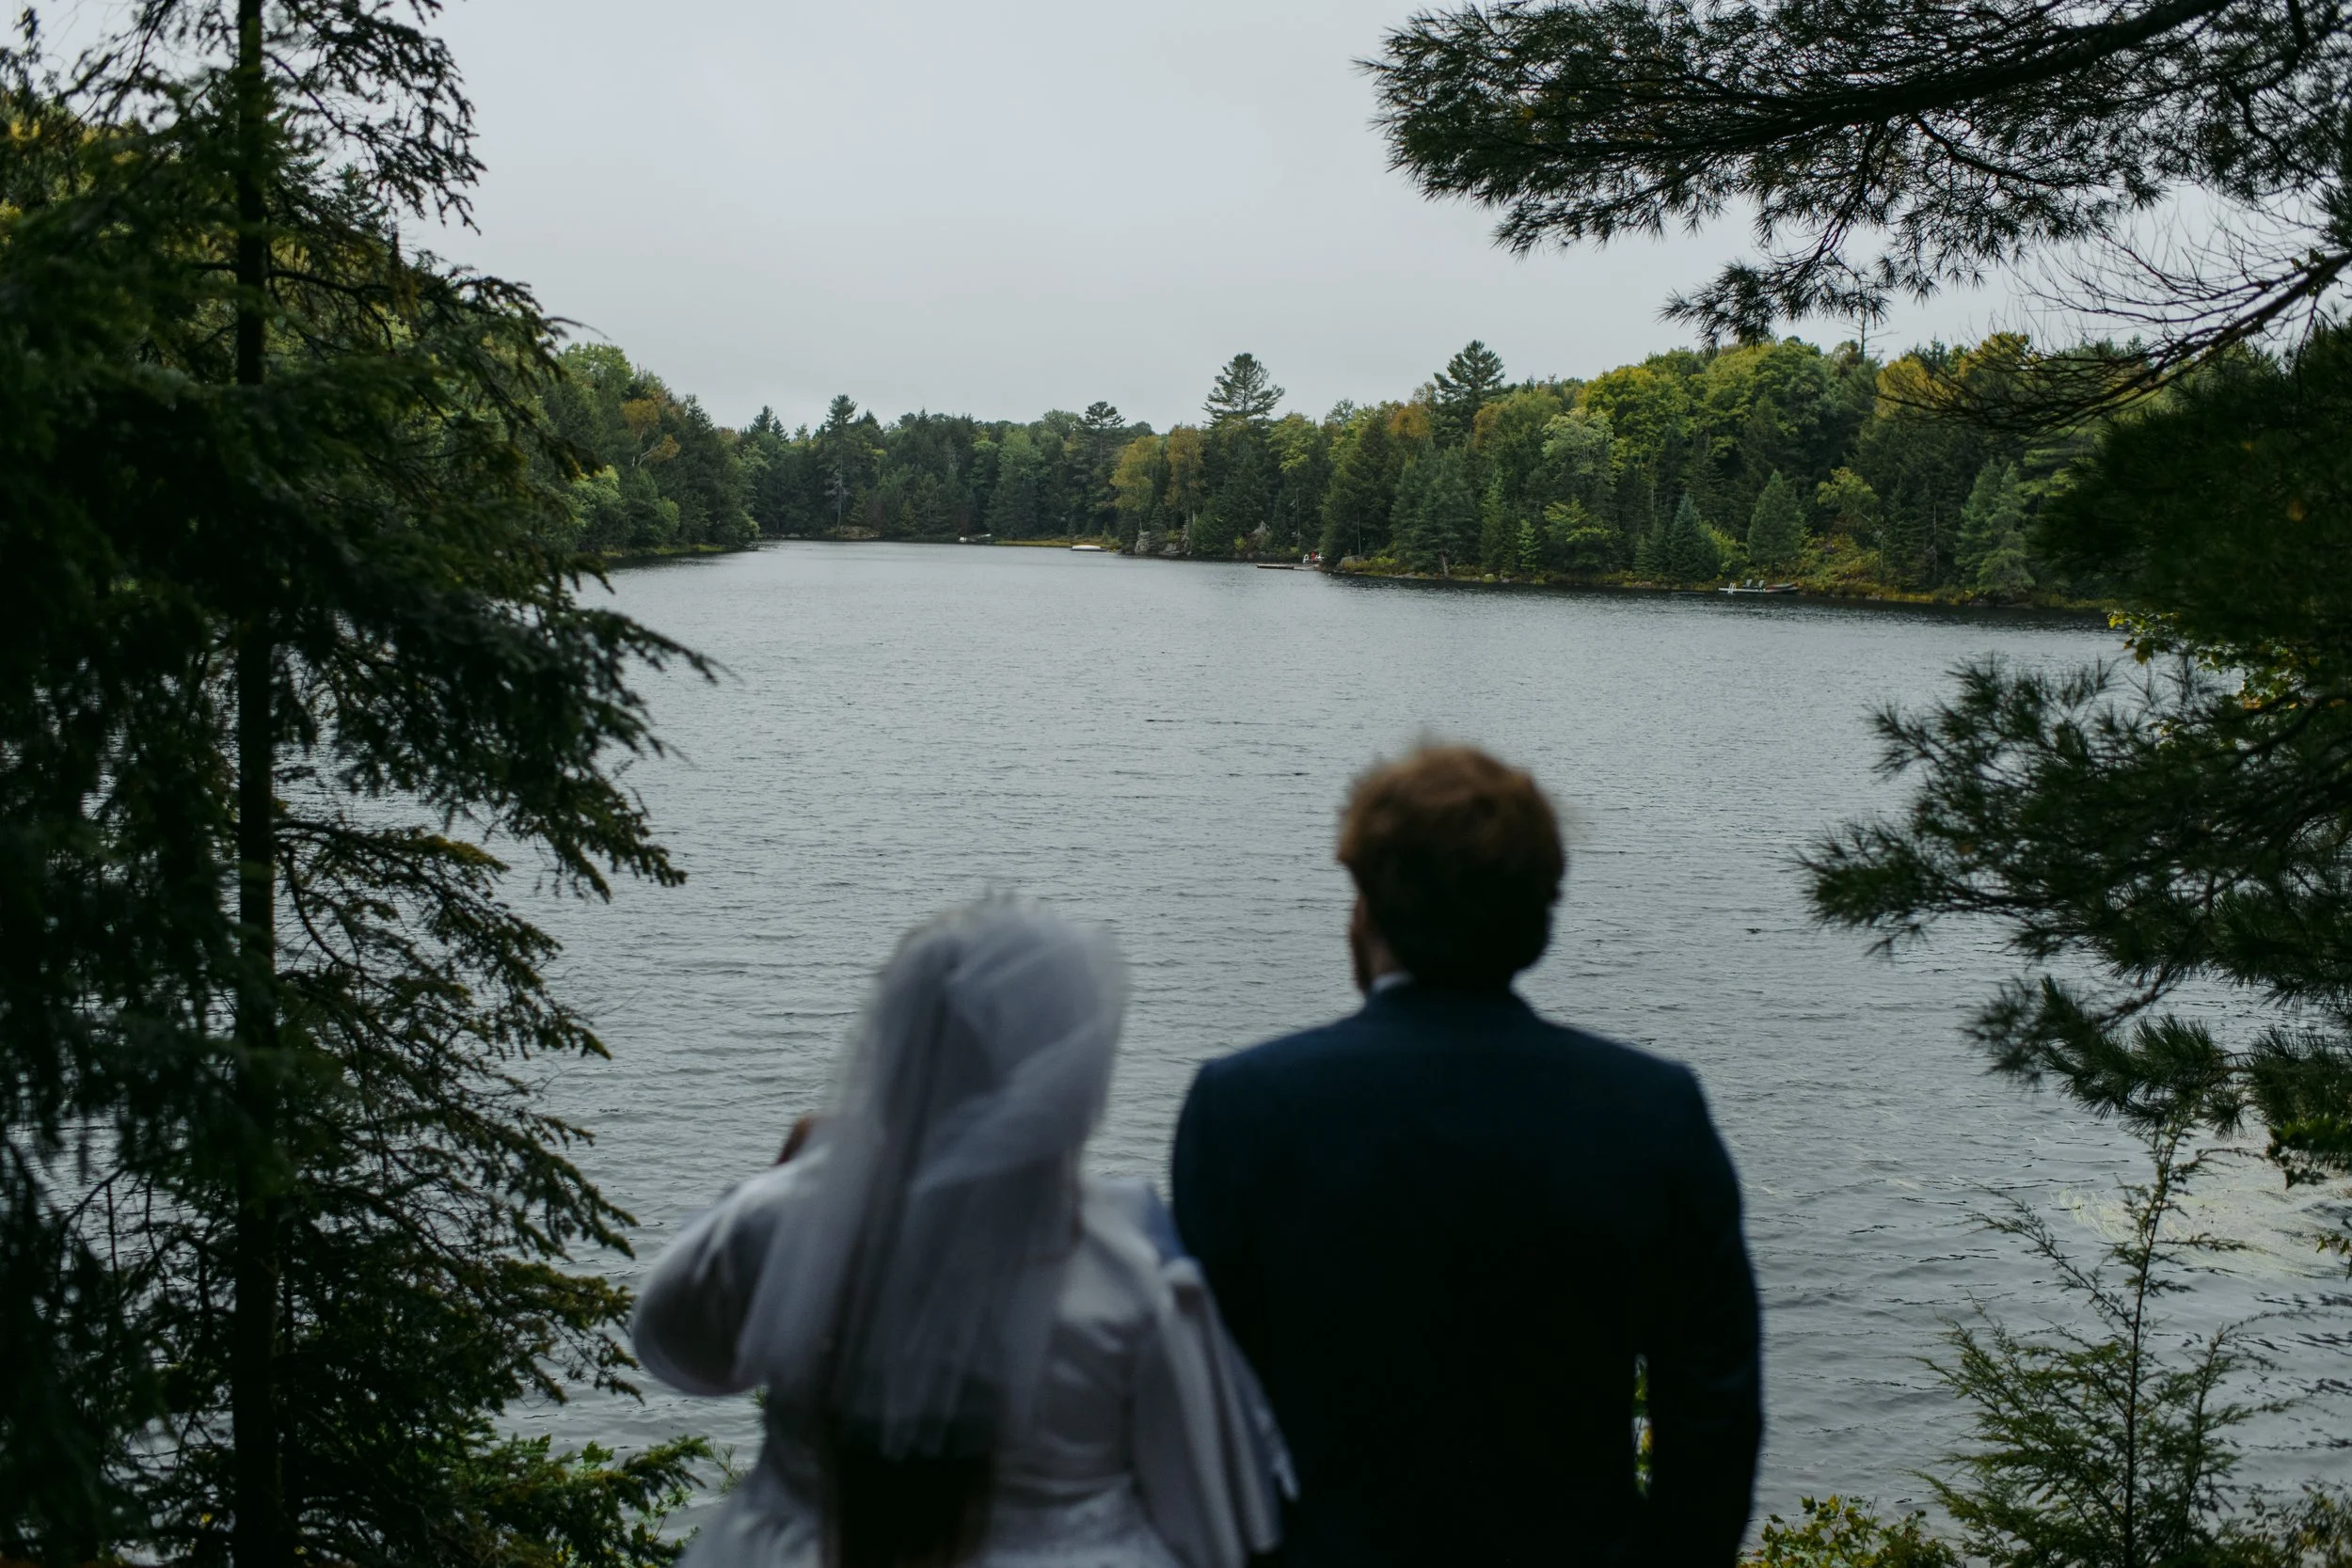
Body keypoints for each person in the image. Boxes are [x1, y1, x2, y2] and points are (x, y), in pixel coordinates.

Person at [1172, 746, 1763, 1567]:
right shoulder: (1652, 1109)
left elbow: (1203, 1409)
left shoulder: (1242, 1107)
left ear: (1365, 908)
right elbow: (1714, 1411)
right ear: (1541, 919)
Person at [635, 897, 1286, 1568]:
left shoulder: (773, 1226)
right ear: (1066, 1083)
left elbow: (675, 1352)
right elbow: (1213, 1515)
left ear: (892, 1052)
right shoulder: (1131, 1275)